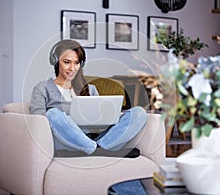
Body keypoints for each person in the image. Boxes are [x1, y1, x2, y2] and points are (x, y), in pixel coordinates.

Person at [30, 39, 148, 194]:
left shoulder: (90, 89)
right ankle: (102, 151)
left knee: (139, 113)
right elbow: (38, 120)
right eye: (67, 62)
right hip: (66, 143)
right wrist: (66, 119)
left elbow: (101, 121)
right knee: (52, 114)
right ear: (56, 61)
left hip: (96, 138)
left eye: (77, 63)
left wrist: (108, 119)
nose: (72, 68)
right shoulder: (42, 88)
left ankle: (98, 149)